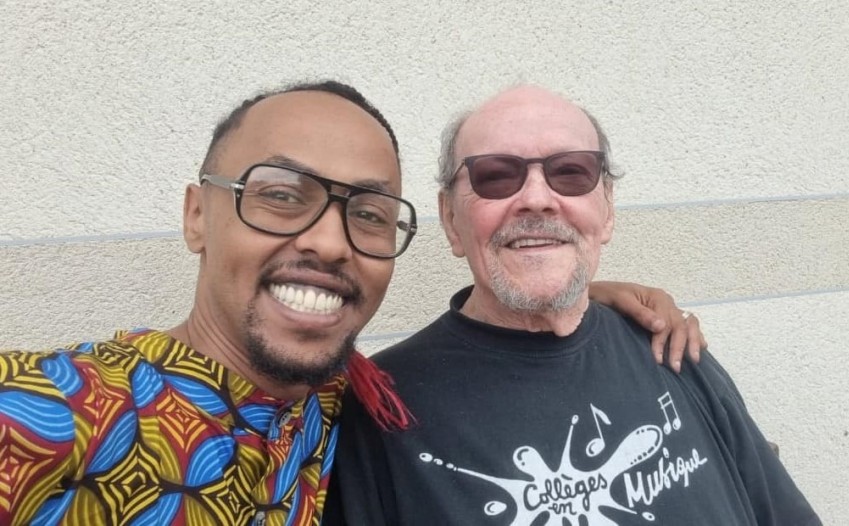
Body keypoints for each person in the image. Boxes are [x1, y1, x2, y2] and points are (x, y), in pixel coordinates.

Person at [0, 80, 702, 526]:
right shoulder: (56, 411)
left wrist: (569, 290)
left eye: (367, 213)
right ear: (196, 217)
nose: (330, 242)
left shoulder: (349, 398)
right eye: (281, 195)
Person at [325, 85, 822, 525]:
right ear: (451, 219)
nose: (537, 199)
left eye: (571, 171)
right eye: (496, 175)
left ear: (607, 208)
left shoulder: (673, 350)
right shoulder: (378, 410)